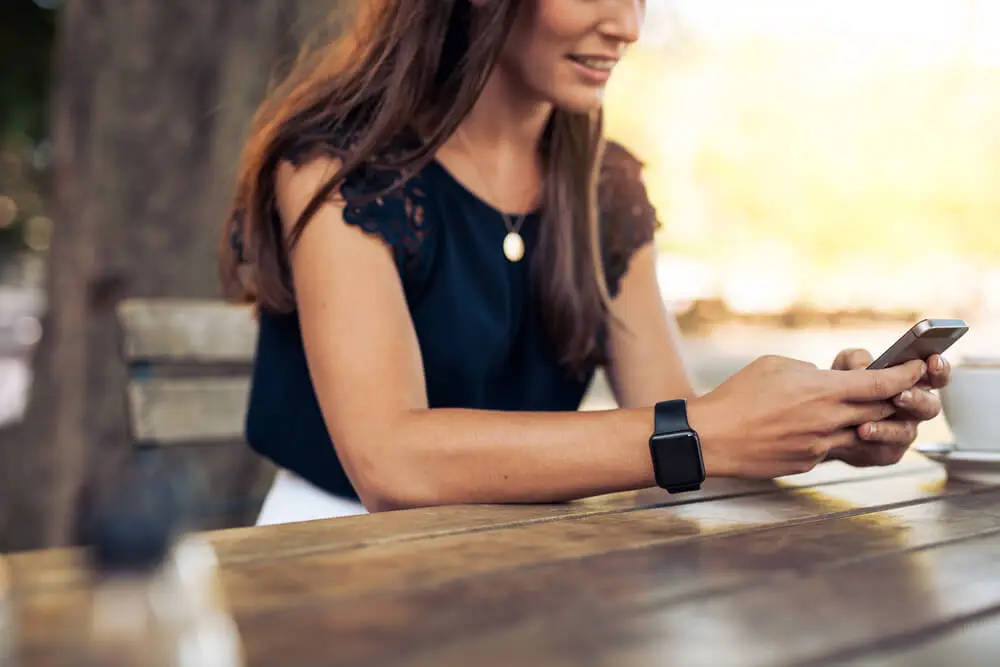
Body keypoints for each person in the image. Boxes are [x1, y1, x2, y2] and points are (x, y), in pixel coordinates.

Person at [221, 0, 951, 526]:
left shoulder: (607, 187)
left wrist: (817, 426)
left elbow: (684, 430)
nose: (629, 25)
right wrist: (704, 430)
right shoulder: (336, 166)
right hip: (331, 556)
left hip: (535, 554)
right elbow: (391, 464)